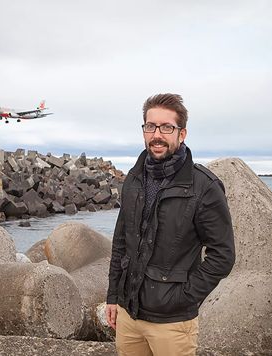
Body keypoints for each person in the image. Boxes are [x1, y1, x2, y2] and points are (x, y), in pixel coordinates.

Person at [105, 93, 235, 356]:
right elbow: (121, 241)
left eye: (167, 127)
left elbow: (223, 255)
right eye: (150, 126)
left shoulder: (204, 187)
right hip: (129, 315)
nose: (157, 135)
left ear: (182, 133)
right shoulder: (134, 178)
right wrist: (113, 296)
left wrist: (182, 298)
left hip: (172, 323)